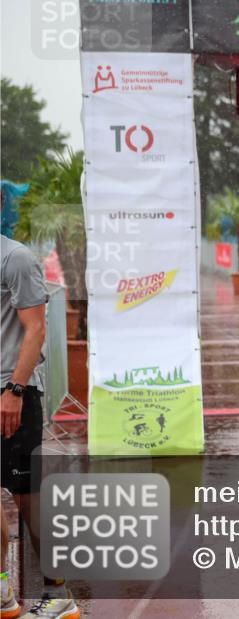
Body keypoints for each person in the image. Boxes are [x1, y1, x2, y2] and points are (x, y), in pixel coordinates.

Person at [1, 235, 81, 619]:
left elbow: (35, 330)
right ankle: (2, 588)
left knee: (28, 499)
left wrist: (14, 390)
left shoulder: (15, 258)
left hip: (12, 394)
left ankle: (58, 592)